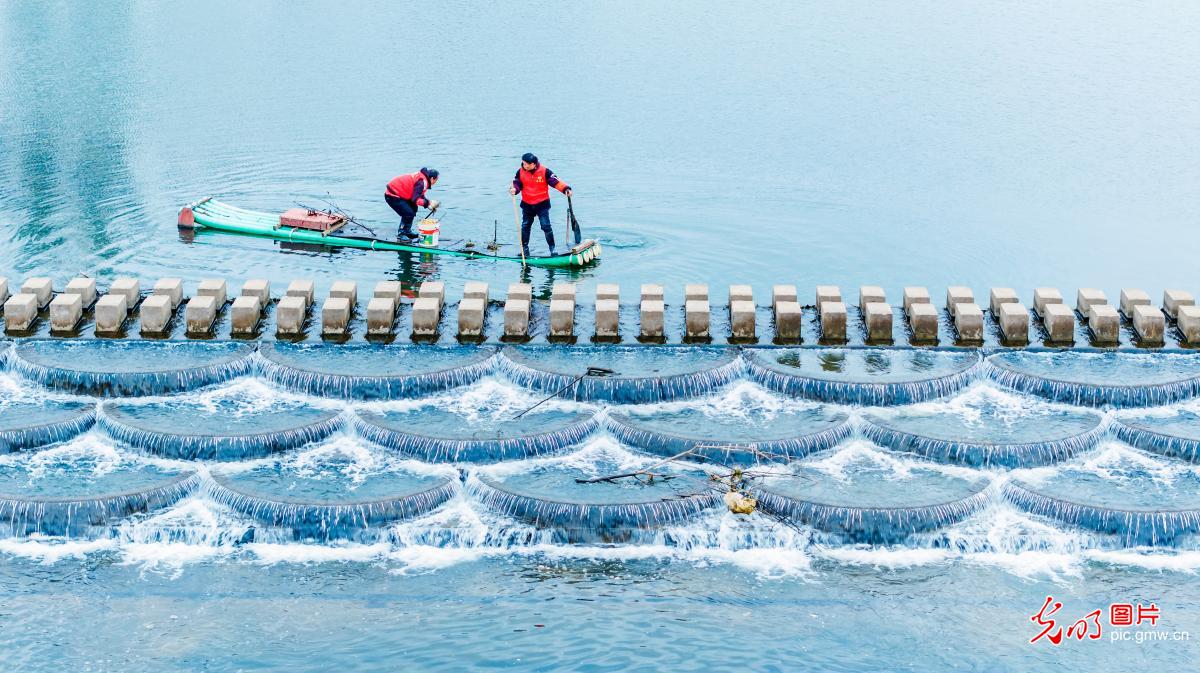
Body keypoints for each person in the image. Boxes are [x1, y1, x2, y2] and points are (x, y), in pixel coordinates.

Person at [509, 153, 572, 256]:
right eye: (523, 163)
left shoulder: (545, 171)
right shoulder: (520, 171)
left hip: (542, 204)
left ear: (533, 164)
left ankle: (552, 249)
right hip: (527, 204)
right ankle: (524, 249)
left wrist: (566, 189)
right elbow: (517, 183)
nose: (523, 165)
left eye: (525, 164)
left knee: (546, 226)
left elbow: (555, 182)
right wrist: (514, 190)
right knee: (525, 226)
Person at [385, 168, 439, 242]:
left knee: (413, 208)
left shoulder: (423, 178)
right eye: (436, 180)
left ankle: (407, 231)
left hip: (400, 194)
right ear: (432, 178)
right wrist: (429, 203)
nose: (436, 182)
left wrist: (427, 205)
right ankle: (401, 235)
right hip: (392, 195)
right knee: (408, 212)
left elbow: (419, 195)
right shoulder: (422, 182)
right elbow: (415, 200)